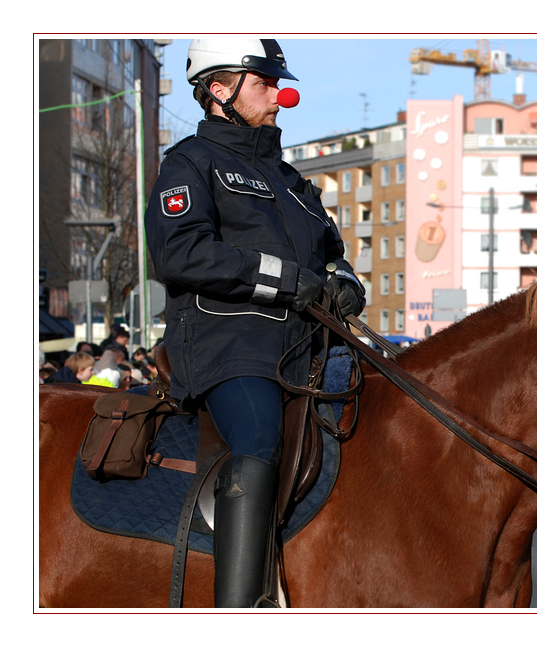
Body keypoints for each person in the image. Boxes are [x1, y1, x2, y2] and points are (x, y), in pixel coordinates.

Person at [144, 38, 365, 608]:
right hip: (229, 342)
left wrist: (344, 283)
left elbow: (330, 254)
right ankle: (239, 610)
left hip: (307, 347)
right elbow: (179, 255)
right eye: (264, 83)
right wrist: (288, 278)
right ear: (220, 89)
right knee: (259, 438)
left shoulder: (294, 183)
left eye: (277, 83)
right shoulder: (190, 163)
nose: (280, 96)